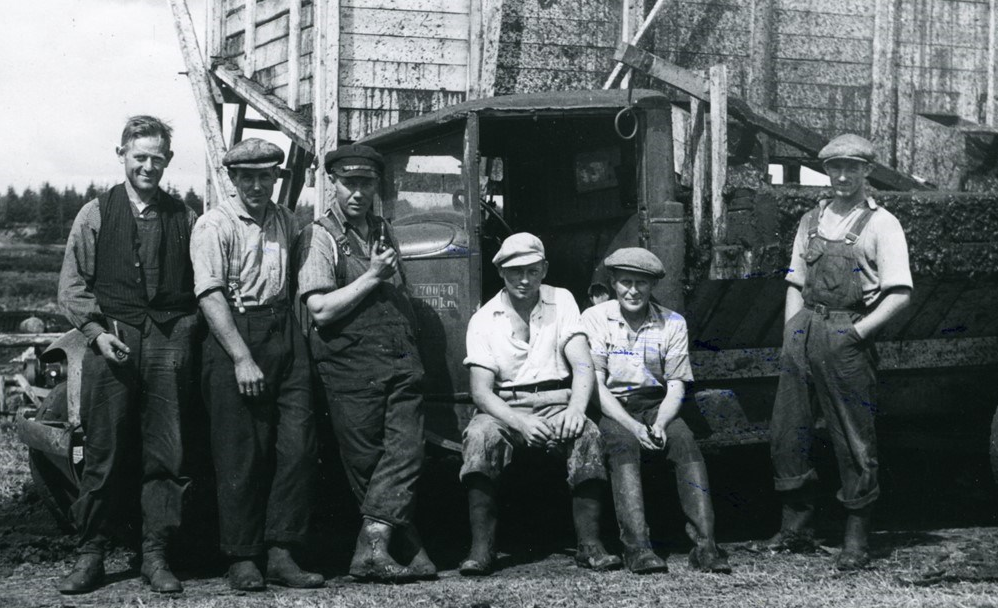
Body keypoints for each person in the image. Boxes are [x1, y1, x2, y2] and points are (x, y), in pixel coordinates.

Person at [56, 115, 198, 595]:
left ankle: (156, 556)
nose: (149, 166)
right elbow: (71, 288)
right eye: (140, 156)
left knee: (168, 454)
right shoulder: (95, 213)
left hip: (166, 347)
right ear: (122, 155)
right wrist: (95, 333)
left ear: (168, 161)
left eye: (158, 158)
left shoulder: (186, 217)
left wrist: (181, 335)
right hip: (111, 344)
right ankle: (90, 555)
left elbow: (202, 287)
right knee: (104, 453)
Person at [768, 133, 912, 570]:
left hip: (846, 332)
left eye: (852, 168)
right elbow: (795, 279)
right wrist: (793, 331)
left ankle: (855, 538)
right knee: (787, 432)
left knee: (853, 439)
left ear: (868, 172)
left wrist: (856, 333)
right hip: (805, 329)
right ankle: (796, 529)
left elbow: (900, 293)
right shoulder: (811, 218)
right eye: (835, 168)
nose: (843, 176)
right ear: (825, 171)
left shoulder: (881, 224)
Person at [296, 144, 435, 582]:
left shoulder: (382, 229)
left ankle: (373, 547)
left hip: (397, 359)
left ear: (377, 185)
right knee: (368, 462)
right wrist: (373, 275)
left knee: (408, 451)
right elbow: (319, 309)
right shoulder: (319, 235)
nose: (357, 192)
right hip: (350, 367)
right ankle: (399, 547)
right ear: (332, 185)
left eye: (366, 183)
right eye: (348, 183)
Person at [190, 138, 322, 591]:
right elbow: (210, 295)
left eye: (266, 176)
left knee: (298, 445)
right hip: (235, 336)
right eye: (247, 177)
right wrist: (242, 357)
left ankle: (282, 552)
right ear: (232, 179)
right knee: (240, 453)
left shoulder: (285, 220)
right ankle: (242, 558)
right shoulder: (214, 225)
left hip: (284, 332)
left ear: (275, 178)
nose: (257, 185)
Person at [459, 232, 619, 577]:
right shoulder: (484, 319)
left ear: (544, 268)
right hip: (505, 407)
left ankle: (590, 545)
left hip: (557, 401)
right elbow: (481, 393)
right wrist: (520, 423)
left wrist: (576, 409)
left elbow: (582, 364)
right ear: (501, 271)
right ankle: (481, 549)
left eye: (532, 270)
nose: (524, 279)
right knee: (479, 438)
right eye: (515, 271)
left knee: (588, 434)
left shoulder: (561, 300)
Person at [577, 247, 730, 575]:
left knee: (683, 441)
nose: (633, 291)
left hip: (657, 404)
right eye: (625, 282)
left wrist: (661, 422)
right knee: (623, 444)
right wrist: (633, 427)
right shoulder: (595, 319)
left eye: (641, 284)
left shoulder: (672, 323)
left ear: (652, 287)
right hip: (614, 407)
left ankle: (706, 546)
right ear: (614, 283)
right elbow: (596, 386)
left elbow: (676, 385)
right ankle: (637, 548)